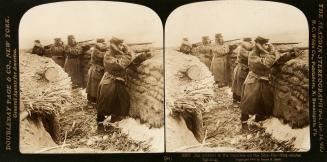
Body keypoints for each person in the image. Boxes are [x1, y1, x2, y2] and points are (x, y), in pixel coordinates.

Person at [240, 36, 302, 131]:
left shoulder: (266, 52)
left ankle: (259, 118)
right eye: (265, 44)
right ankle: (244, 123)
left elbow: (277, 61)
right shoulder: (253, 54)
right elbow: (266, 63)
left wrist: (291, 54)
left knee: (264, 101)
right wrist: (273, 52)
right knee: (249, 102)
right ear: (258, 45)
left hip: (264, 80)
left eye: (267, 44)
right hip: (254, 80)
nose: (267, 46)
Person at [96, 37, 132, 131]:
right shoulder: (108, 54)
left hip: (119, 80)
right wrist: (128, 54)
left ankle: (114, 120)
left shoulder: (119, 53)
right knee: (105, 102)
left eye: (121, 44)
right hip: (110, 80)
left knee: (121, 102)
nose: (121, 46)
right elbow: (120, 64)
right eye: (119, 44)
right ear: (114, 45)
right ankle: (100, 125)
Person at [231, 37, 253, 102]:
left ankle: (239, 98)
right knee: (240, 83)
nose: (250, 44)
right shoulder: (242, 49)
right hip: (242, 68)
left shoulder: (244, 48)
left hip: (244, 68)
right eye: (249, 42)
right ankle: (239, 98)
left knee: (240, 83)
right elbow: (249, 56)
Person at [85, 39, 107, 105]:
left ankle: (94, 101)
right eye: (102, 43)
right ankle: (92, 101)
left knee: (95, 86)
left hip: (98, 69)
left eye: (104, 43)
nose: (104, 44)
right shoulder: (95, 50)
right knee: (94, 86)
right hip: (96, 69)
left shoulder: (99, 49)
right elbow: (102, 56)